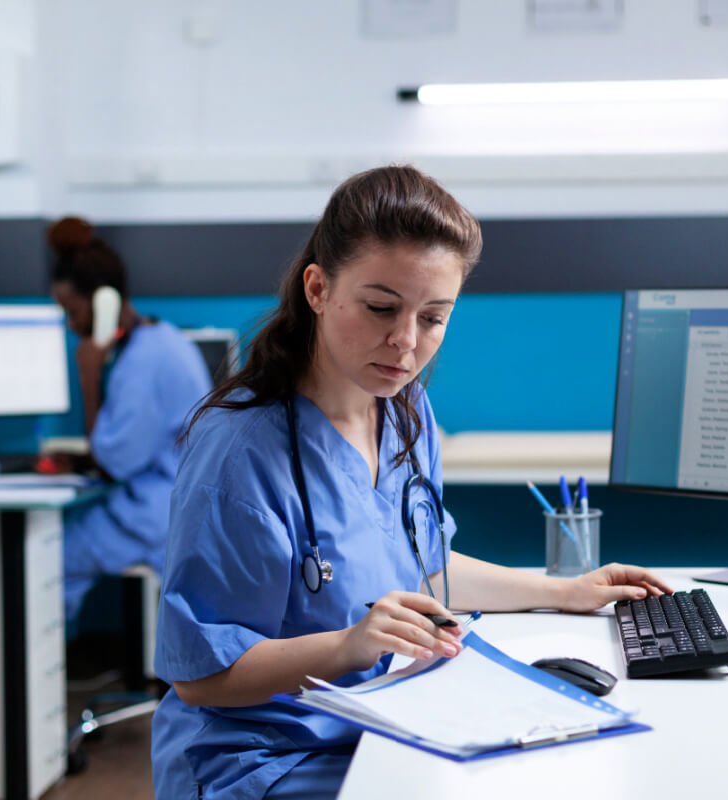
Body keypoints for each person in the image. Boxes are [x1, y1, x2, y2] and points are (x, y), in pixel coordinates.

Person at [151, 166, 672, 799]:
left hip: (381, 723)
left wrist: (563, 591)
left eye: (433, 318)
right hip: (265, 757)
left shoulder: (403, 412)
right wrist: (348, 645)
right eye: (380, 308)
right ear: (317, 288)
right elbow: (201, 677)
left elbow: (420, 569)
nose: (404, 343)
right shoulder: (241, 454)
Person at [48, 216, 214, 624]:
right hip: (174, 504)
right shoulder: (165, 339)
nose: (71, 327)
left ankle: (35, 680)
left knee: (46, 558)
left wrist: (89, 376)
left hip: (157, 515)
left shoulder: (141, 363)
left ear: (104, 301)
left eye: (72, 312)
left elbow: (112, 462)